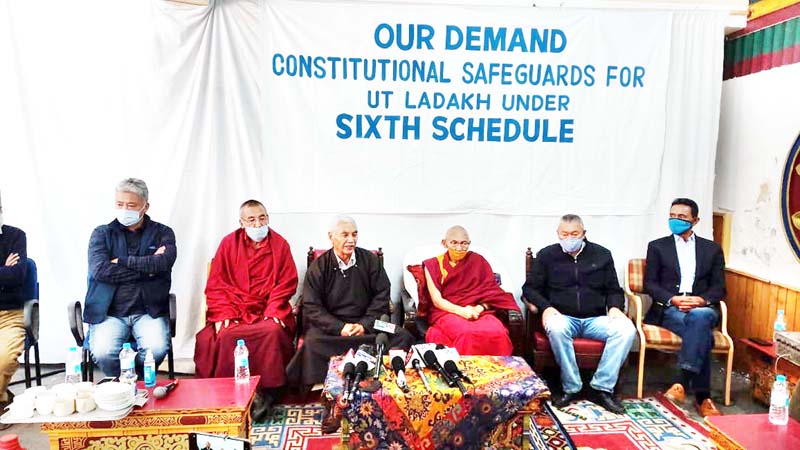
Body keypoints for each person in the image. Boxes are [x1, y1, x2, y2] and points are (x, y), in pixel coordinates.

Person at [194, 200, 297, 422]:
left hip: (267, 309)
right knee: (226, 334)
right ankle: (231, 393)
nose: (258, 224)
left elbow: (286, 283)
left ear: (268, 218)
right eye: (251, 220)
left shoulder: (280, 244)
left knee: (273, 331)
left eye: (262, 218)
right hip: (235, 309)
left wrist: (273, 311)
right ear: (241, 223)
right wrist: (225, 314)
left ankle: (267, 392)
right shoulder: (228, 244)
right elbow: (217, 284)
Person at [522, 214, 635, 414]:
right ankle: (571, 387)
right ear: (558, 234)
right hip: (563, 318)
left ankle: (602, 387)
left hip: (595, 319)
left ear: (584, 233)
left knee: (626, 329)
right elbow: (529, 289)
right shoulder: (547, 255)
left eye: (574, 234)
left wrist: (615, 307)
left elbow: (613, 289)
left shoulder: (602, 255)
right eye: (564, 234)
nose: (569, 238)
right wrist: (546, 307)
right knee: (556, 328)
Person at [286, 216, 414, 386]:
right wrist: (340, 327)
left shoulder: (370, 261)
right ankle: (325, 386)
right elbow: (312, 306)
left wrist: (364, 325)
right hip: (333, 329)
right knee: (311, 342)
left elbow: (382, 296)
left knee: (401, 335)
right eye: (345, 235)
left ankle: (385, 381)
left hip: (370, 324)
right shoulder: (319, 266)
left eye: (354, 234)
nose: (351, 240)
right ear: (331, 237)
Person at [85, 178, 177, 378]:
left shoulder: (163, 233)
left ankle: (139, 380)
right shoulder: (101, 234)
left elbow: (163, 263)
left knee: (157, 349)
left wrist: (121, 261)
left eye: (131, 205)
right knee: (103, 352)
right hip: (109, 313)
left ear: (145, 206)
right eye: (120, 204)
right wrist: (147, 268)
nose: (124, 210)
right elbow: (100, 270)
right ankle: (121, 383)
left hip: (148, 312)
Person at [644, 198, 726, 417]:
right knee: (703, 334)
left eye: (681, 217)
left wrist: (700, 300)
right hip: (672, 309)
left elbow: (719, 288)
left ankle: (681, 382)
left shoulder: (712, 249)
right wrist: (673, 299)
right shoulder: (657, 247)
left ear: (695, 220)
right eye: (672, 216)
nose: (675, 220)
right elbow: (650, 284)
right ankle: (703, 398)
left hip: (702, 307)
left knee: (700, 318)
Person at [421, 225, 520, 355]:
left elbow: (491, 292)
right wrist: (461, 311)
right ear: (444, 243)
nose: (459, 248)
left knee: (498, 332)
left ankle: (498, 367)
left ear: (469, 243)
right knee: (467, 333)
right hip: (447, 311)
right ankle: (464, 367)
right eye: (454, 243)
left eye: (464, 243)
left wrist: (479, 308)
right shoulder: (432, 264)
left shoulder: (478, 261)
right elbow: (436, 300)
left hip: (478, 311)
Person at [0, 191, 27, 415]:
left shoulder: (15, 236)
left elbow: (16, 276)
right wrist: (3, 269)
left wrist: (8, 272)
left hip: (10, 314)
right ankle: (2, 397)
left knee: (4, 359)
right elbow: (7, 275)